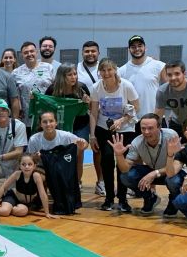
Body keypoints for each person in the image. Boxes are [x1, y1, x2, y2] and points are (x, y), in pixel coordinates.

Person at [89, 58, 139, 212]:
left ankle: (123, 199)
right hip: (104, 130)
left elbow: (136, 106)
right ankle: (109, 198)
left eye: (109, 70)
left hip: (125, 130)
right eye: (103, 70)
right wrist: (92, 135)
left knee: (122, 163)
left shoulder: (126, 85)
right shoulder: (96, 88)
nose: (106, 73)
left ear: (115, 70)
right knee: (107, 161)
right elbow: (94, 112)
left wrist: (122, 120)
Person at [110, 114, 181, 216]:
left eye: (150, 128)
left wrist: (154, 173)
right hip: (152, 170)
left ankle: (173, 201)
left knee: (174, 180)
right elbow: (125, 169)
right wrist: (119, 155)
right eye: (143, 128)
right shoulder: (137, 142)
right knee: (126, 177)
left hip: (172, 172)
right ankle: (150, 198)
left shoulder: (171, 136)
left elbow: (176, 165)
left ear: (159, 127)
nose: (146, 132)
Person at [45, 64, 91, 181]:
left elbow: (90, 108)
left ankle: (77, 182)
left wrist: (87, 102)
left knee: (79, 151)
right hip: (60, 125)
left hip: (80, 125)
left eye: (75, 74)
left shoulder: (82, 88)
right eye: (69, 75)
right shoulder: (52, 89)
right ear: (61, 76)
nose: (73, 77)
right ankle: (61, 181)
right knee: (60, 153)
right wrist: (33, 99)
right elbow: (44, 106)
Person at [0, 154, 56, 219]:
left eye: (29, 164)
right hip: (13, 197)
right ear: (20, 166)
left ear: (34, 166)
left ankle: (8, 208)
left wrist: (47, 213)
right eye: (23, 164)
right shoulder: (17, 174)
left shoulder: (36, 176)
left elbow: (43, 194)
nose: (26, 167)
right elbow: (3, 187)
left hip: (25, 204)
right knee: (4, 211)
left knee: (23, 211)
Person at [76, 40, 104, 194]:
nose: (90, 54)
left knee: (98, 150)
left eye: (93, 51)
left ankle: (100, 182)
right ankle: (77, 181)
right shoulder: (77, 69)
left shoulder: (105, 68)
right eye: (87, 51)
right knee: (79, 148)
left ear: (98, 52)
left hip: (102, 115)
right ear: (82, 53)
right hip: (82, 115)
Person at [119, 35, 165, 121]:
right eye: (133, 47)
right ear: (129, 50)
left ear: (145, 48)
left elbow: (169, 89)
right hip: (132, 120)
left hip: (154, 118)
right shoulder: (121, 71)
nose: (137, 49)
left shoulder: (159, 66)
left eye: (140, 46)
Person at [13, 41, 54, 122]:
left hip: (47, 116)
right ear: (22, 55)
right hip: (26, 118)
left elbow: (55, 90)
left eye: (32, 51)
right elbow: (15, 96)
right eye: (26, 52)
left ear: (37, 52)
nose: (29, 54)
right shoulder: (16, 73)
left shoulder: (48, 68)